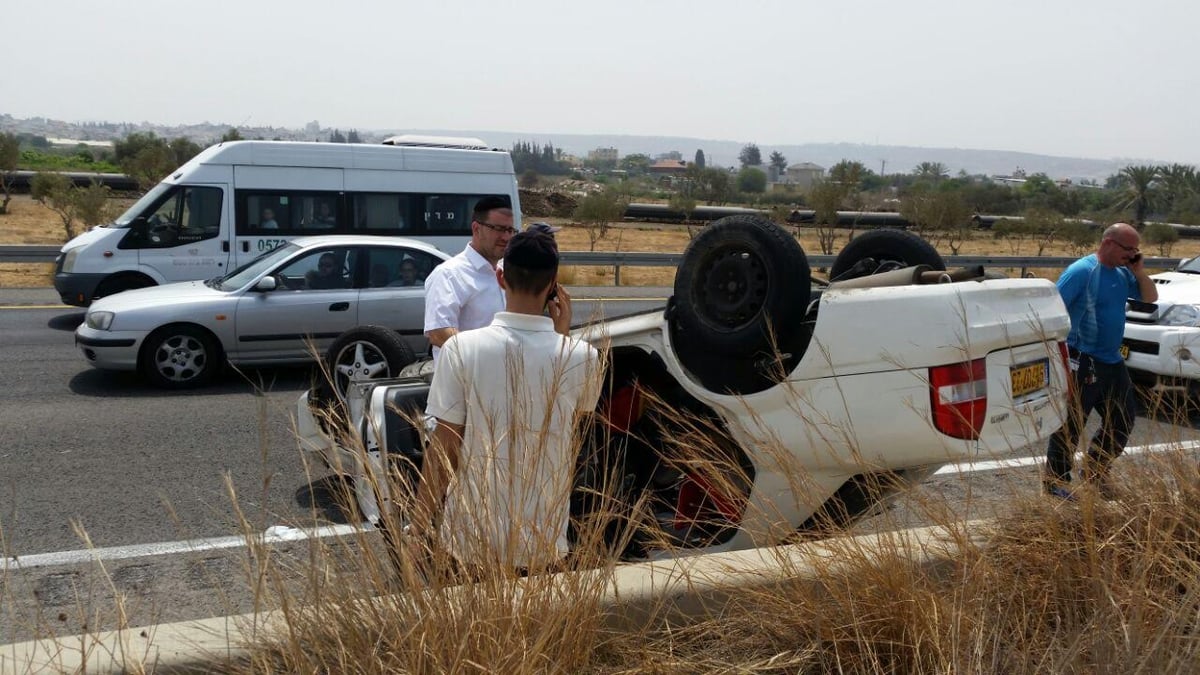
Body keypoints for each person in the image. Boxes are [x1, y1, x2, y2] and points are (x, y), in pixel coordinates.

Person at [409, 230, 602, 578]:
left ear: (500, 277)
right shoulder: (584, 358)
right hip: (543, 540)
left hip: (469, 539)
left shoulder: (461, 349)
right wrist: (562, 337)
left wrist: (418, 529)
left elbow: (445, 445)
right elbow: (567, 433)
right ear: (554, 284)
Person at [1044, 222, 1157, 501]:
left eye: (1135, 251)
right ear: (1108, 243)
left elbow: (1150, 297)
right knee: (1072, 422)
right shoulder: (1082, 272)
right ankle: (1055, 481)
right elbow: (1051, 312)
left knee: (1123, 419)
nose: (1131, 255)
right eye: (1127, 249)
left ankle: (1095, 471)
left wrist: (1139, 271)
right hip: (1083, 358)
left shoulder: (1123, 272)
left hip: (1112, 360)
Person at [422, 196, 514, 365]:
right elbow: (439, 333)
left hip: (504, 379)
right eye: (499, 229)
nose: (506, 237)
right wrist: (492, 353)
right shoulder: (449, 274)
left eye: (510, 230)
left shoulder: (508, 272)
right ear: (476, 229)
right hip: (465, 384)